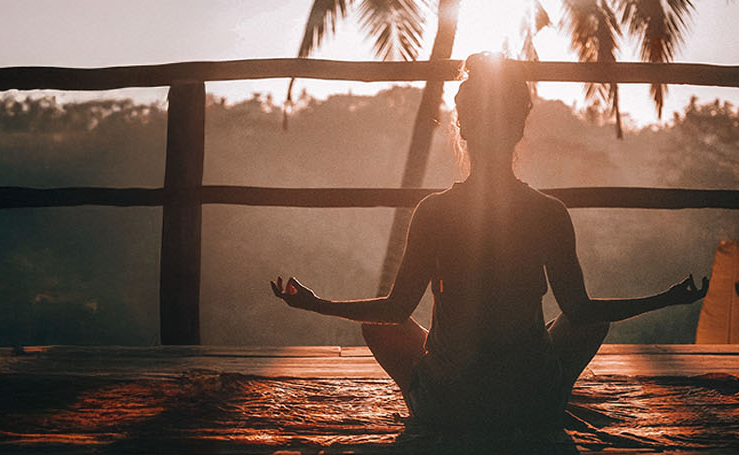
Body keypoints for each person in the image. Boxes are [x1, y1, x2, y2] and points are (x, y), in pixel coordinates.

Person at [271, 52, 706, 435]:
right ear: (518, 129)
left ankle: (441, 393)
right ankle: (543, 396)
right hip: (530, 403)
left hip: (449, 406)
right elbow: (582, 312)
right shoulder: (548, 212)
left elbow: (395, 311)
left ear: (462, 129)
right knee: (588, 321)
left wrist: (317, 304)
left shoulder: (434, 211)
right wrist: (664, 299)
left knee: (378, 326)